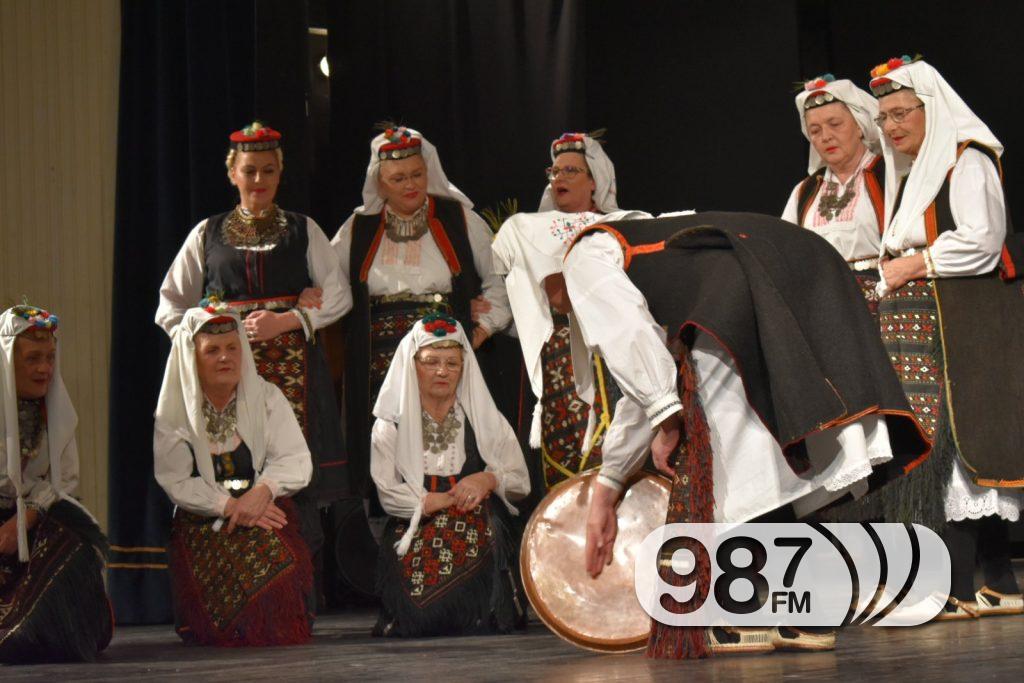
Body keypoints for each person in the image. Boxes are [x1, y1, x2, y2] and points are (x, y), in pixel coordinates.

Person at [558, 211, 930, 656]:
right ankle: (805, 615)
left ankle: (739, 615)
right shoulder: (646, 243)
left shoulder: (581, 256)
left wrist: (667, 421)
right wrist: (611, 482)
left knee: (731, 475)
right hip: (800, 269)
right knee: (781, 466)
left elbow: (630, 339)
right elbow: (646, 373)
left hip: (736, 300)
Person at [858, 56, 1024, 619]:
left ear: (932, 109)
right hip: (922, 323)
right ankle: (995, 581)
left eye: (901, 113)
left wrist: (914, 264)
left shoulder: (965, 160)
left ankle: (957, 586)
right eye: (883, 118)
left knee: (960, 445)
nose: (891, 126)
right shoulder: (908, 174)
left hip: (960, 324)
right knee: (937, 449)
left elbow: (983, 239)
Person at [156, 121, 349, 512]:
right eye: (249, 170)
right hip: (225, 372)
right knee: (231, 459)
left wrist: (289, 319)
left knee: (295, 463)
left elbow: (340, 294)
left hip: (294, 369)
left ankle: (295, 540)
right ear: (233, 173)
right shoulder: (206, 234)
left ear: (280, 174)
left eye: (268, 170)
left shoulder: (303, 230)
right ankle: (227, 516)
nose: (259, 179)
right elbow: (171, 304)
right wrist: (199, 344)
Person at [331, 125, 512, 499]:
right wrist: (308, 295)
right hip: (380, 361)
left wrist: (481, 329)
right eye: (398, 178)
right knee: (389, 439)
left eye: (417, 174)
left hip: (443, 355)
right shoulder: (357, 229)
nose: (410, 184)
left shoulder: (459, 219)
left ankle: (452, 508)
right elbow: (329, 285)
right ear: (380, 184)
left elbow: (500, 282)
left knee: (446, 439)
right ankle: (391, 515)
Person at [493, 131, 652, 491]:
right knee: (564, 441)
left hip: (610, 344)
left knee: (616, 438)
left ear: (595, 180)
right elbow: (548, 296)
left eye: (571, 171)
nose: (559, 177)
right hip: (560, 352)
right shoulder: (529, 231)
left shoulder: (623, 224)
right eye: (555, 171)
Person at [154, 305, 314, 646]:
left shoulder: (266, 397)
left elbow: (295, 459)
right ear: (192, 357)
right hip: (204, 517)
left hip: (263, 508)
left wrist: (263, 491)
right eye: (212, 350)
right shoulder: (175, 411)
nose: (225, 357)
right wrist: (229, 506)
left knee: (280, 567)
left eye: (232, 347)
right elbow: (175, 479)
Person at [370, 314, 529, 636]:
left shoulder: (485, 419)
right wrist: (438, 501)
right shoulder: (390, 424)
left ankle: (482, 613)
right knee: (413, 599)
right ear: (413, 365)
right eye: (431, 362)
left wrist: (488, 479)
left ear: (463, 367)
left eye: (452, 363)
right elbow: (388, 494)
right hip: (415, 518)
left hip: (475, 512)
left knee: (488, 532)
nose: (442, 371)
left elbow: (520, 479)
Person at [0, 304, 112, 663]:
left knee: (75, 550)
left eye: (49, 357)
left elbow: (62, 481)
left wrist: (24, 520)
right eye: (33, 359)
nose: (44, 368)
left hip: (33, 516)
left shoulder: (57, 413)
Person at [782, 74, 886, 314]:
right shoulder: (805, 191)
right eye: (815, 130)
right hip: (821, 305)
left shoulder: (887, 177)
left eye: (835, 124)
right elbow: (786, 250)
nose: (826, 136)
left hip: (881, 303)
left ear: (859, 125)